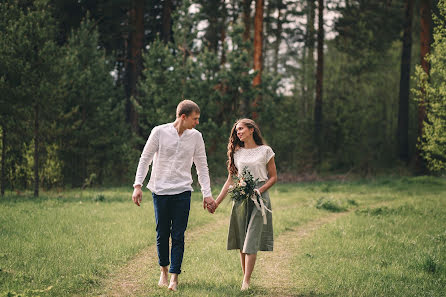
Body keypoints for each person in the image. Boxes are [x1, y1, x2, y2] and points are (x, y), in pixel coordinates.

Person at [132, 99, 216, 292]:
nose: (197, 122)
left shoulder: (196, 137)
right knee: (162, 233)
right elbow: (145, 159)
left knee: (178, 235)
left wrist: (207, 194)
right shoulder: (159, 132)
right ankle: (163, 270)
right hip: (160, 191)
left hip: (183, 192)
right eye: (195, 118)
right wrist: (138, 185)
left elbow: (202, 166)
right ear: (183, 117)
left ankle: (174, 278)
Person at [213, 118, 277, 291]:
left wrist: (260, 190)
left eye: (241, 129)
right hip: (240, 197)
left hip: (259, 198)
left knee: (251, 239)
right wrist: (217, 202)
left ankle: (246, 282)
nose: (238, 132)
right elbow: (230, 180)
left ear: (251, 130)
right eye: (237, 131)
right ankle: (245, 280)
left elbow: (273, 177)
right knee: (242, 239)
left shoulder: (265, 151)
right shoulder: (236, 152)